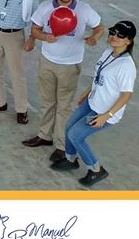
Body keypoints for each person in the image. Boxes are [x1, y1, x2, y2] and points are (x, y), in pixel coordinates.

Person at [24, 0, 104, 163]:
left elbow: (100, 27)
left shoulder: (84, 9)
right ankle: (44, 135)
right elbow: (35, 29)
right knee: (47, 101)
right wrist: (45, 37)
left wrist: (95, 38)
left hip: (70, 65)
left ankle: (61, 145)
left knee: (64, 106)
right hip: (47, 62)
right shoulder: (45, 8)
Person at [51, 20, 135, 187]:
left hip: (104, 112)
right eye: (113, 32)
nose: (114, 37)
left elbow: (126, 96)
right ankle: (70, 159)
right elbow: (100, 76)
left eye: (120, 35)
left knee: (76, 135)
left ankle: (96, 169)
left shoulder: (126, 66)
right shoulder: (108, 52)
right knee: (69, 127)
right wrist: (88, 91)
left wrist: (106, 116)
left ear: (128, 41)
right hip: (92, 102)